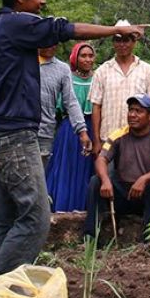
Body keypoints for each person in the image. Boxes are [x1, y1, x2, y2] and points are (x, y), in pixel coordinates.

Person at [0, 0, 147, 298]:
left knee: (5, 221)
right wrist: (117, 28)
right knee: (37, 219)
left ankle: (3, 295)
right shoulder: (17, 24)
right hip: (14, 137)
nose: (44, 0)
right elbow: (64, 29)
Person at [84, 94, 150, 241]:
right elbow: (102, 158)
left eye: (138, 111)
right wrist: (105, 179)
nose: (132, 115)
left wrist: (144, 179)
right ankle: (90, 238)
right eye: (130, 110)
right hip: (120, 195)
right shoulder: (118, 135)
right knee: (96, 181)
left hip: (145, 197)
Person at [89, 20, 150, 156]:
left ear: (134, 42)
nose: (122, 45)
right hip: (108, 138)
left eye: (126, 40)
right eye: (118, 40)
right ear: (113, 42)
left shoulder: (146, 70)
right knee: (107, 176)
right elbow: (96, 106)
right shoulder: (102, 71)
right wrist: (96, 140)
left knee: (136, 175)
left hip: (138, 139)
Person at [46, 42, 97, 212]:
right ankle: (62, 207)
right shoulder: (67, 76)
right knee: (67, 168)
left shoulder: (98, 78)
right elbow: (61, 106)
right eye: (83, 55)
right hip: (70, 129)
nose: (87, 59)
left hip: (93, 125)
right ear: (75, 57)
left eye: (90, 55)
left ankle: (85, 207)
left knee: (87, 168)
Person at [37, 43, 91, 169]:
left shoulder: (62, 69)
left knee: (38, 182)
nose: (51, 45)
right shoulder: (22, 62)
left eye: (55, 41)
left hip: (44, 135)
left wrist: (82, 132)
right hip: (19, 133)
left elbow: (71, 101)